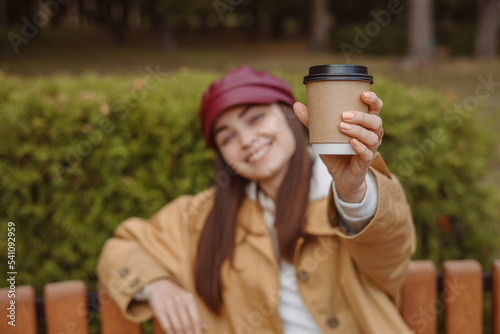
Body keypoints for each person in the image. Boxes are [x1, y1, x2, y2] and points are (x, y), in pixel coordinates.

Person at [97, 66, 415, 334]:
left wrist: (351, 191)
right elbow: (119, 250)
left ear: (290, 115)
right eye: (228, 136)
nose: (247, 141)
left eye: (255, 119)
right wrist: (158, 285)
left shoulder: (350, 189)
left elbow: (390, 253)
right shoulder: (201, 216)